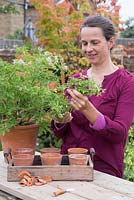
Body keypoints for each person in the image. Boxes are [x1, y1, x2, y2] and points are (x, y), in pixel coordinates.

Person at [51, 15, 134, 178]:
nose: (88, 49)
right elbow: (61, 132)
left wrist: (89, 110)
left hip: (103, 170)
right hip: (68, 164)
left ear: (110, 42)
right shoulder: (75, 80)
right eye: (84, 43)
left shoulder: (126, 82)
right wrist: (60, 120)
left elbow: (119, 133)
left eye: (95, 42)